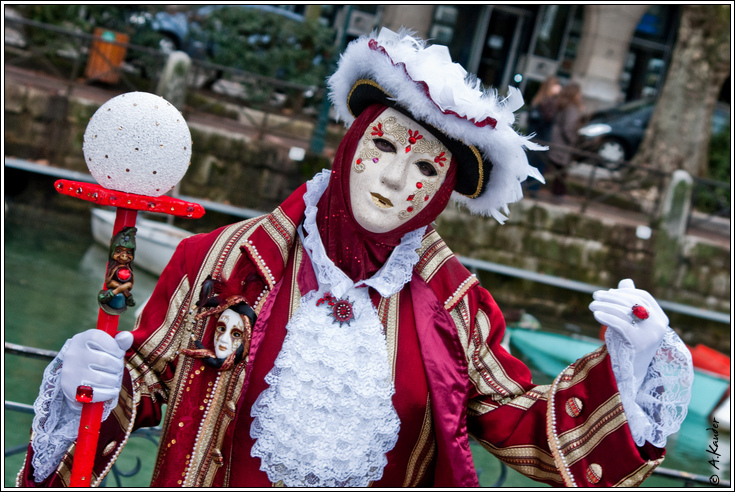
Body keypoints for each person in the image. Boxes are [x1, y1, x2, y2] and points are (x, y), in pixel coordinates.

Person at [18, 28, 692, 488]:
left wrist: (632, 366)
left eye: (426, 169)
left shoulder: (456, 304)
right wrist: (89, 387)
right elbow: (139, 389)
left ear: (440, 196)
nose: (397, 181)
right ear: (352, 143)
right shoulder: (219, 261)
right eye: (386, 147)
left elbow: (525, 425)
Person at [525, 76, 561, 196]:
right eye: (556, 84)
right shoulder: (547, 101)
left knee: (533, 164)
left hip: (538, 138)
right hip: (541, 139)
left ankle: (529, 187)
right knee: (536, 165)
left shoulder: (539, 100)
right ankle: (532, 189)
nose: (559, 87)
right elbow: (547, 119)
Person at [547, 82, 585, 197]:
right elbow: (568, 128)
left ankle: (531, 186)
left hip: (554, 139)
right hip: (562, 144)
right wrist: (574, 140)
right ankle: (557, 195)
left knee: (550, 167)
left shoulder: (561, 104)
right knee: (559, 171)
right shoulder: (572, 108)